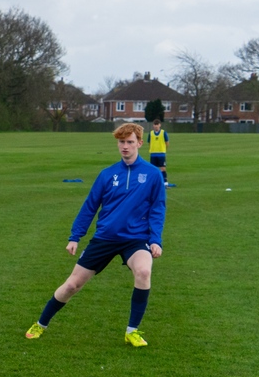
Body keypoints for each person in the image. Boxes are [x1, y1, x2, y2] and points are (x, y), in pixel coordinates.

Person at [25, 123, 166, 347]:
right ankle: (40, 324)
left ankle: (132, 331)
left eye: (130, 142)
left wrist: (155, 240)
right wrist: (75, 236)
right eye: (121, 142)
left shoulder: (152, 175)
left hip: (136, 239)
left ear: (140, 143)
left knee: (144, 271)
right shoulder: (107, 174)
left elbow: (158, 209)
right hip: (105, 238)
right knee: (72, 285)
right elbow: (90, 207)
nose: (125, 147)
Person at [148, 119, 169, 186]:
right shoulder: (151, 133)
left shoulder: (163, 132)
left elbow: (167, 143)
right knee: (153, 169)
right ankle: (154, 183)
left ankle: (165, 183)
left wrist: (164, 149)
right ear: (153, 125)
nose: (156, 126)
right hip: (153, 154)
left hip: (161, 154)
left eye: (157, 125)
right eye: (155, 125)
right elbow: (149, 142)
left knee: (163, 168)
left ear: (160, 125)